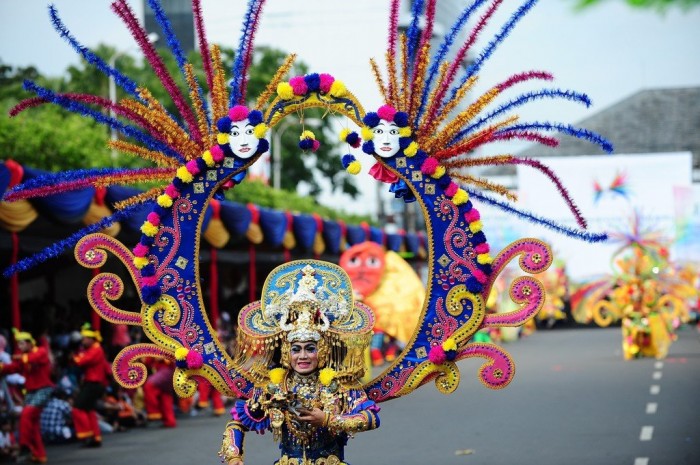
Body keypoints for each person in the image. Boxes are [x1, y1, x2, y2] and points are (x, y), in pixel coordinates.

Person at [219, 261, 380, 465]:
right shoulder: (274, 386)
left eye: (310, 349)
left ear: (321, 351)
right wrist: (233, 455)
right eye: (296, 349)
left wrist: (328, 420)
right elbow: (237, 422)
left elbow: (371, 418)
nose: (302, 356)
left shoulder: (337, 384)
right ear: (287, 352)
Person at [0, 329, 53, 464]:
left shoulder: (40, 351)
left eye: (23, 344)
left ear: (30, 343)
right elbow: (12, 368)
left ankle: (24, 445)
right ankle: (39, 455)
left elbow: (32, 358)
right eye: (19, 345)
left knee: (27, 414)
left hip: (43, 389)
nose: (20, 347)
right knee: (33, 423)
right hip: (31, 392)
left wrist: (19, 357)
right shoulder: (23, 357)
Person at [71, 324, 109, 448]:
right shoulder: (94, 349)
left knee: (78, 408)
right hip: (95, 383)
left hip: (93, 383)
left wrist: (75, 357)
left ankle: (86, 435)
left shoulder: (96, 349)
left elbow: (81, 361)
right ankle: (95, 437)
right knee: (88, 410)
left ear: (92, 339)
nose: (83, 341)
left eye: (85, 338)